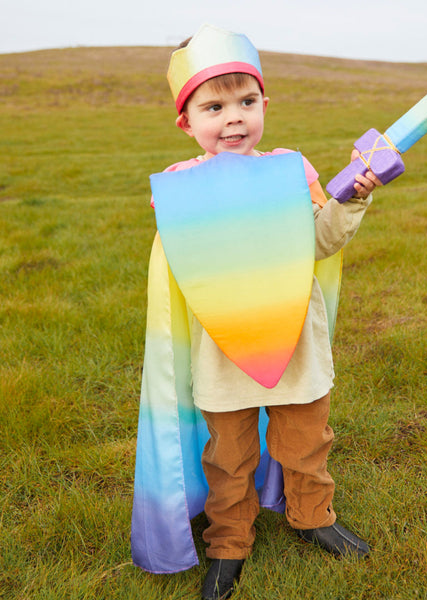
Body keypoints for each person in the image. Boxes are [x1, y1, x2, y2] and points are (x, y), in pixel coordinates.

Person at [141, 24, 394, 600]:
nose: (233, 118)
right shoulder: (183, 186)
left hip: (295, 340)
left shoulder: (290, 169)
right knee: (228, 456)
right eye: (214, 105)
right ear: (187, 121)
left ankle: (314, 517)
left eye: (246, 101)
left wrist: (350, 196)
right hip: (224, 347)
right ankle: (229, 545)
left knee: (307, 439)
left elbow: (319, 242)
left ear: (264, 105)